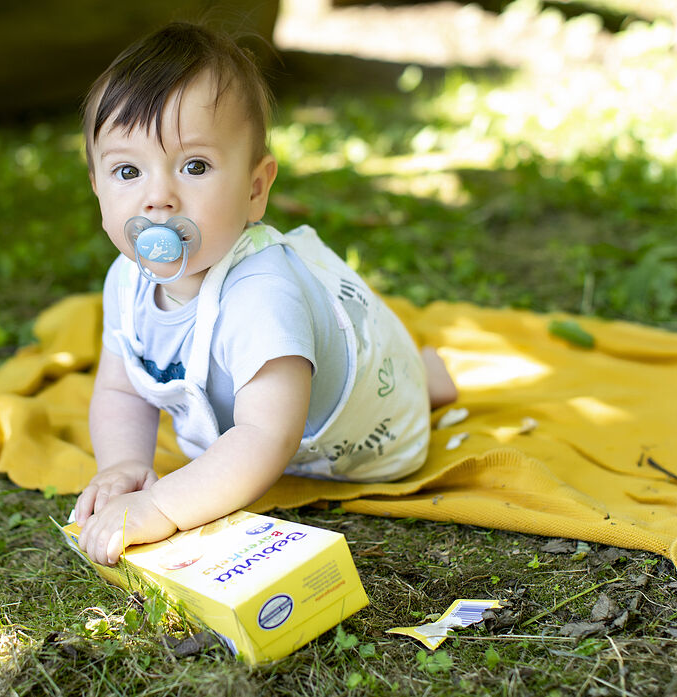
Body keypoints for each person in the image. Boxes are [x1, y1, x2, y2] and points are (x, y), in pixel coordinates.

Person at [73, 22, 457, 565]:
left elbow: (263, 438)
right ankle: (424, 370)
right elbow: (122, 390)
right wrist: (122, 465)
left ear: (256, 189)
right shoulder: (126, 279)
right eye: (128, 170)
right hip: (273, 417)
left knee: (402, 387)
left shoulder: (262, 295)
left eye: (195, 165)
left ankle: (422, 379)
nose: (158, 197)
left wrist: (160, 505)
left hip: (351, 439)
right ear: (97, 186)